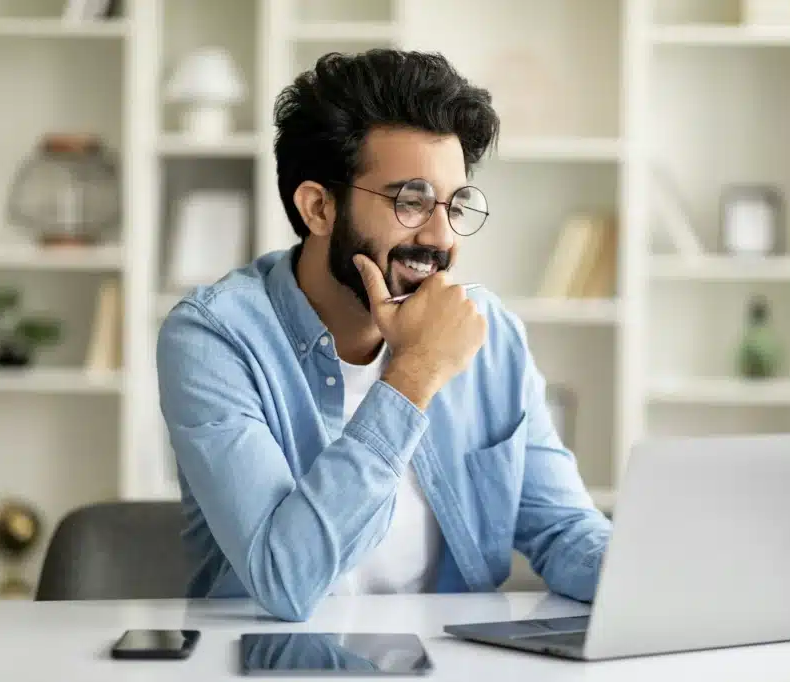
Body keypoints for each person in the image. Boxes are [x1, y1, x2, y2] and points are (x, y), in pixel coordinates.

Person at [156, 48, 612, 622]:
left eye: (454, 204)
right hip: (272, 657)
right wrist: (414, 374)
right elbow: (285, 579)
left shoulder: (489, 333)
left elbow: (563, 528)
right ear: (319, 208)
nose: (443, 236)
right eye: (411, 202)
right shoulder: (214, 337)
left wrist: (655, 578)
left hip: (453, 660)